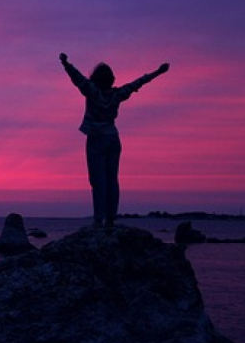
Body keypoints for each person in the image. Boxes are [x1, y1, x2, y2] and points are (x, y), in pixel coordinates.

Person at [59, 53, 169, 228]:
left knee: (97, 181)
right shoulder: (117, 94)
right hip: (113, 138)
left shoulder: (92, 91)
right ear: (111, 79)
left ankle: (98, 219)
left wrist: (65, 63)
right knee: (112, 179)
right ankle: (110, 218)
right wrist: (158, 72)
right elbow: (137, 83)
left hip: (96, 138)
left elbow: (77, 77)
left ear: (95, 78)